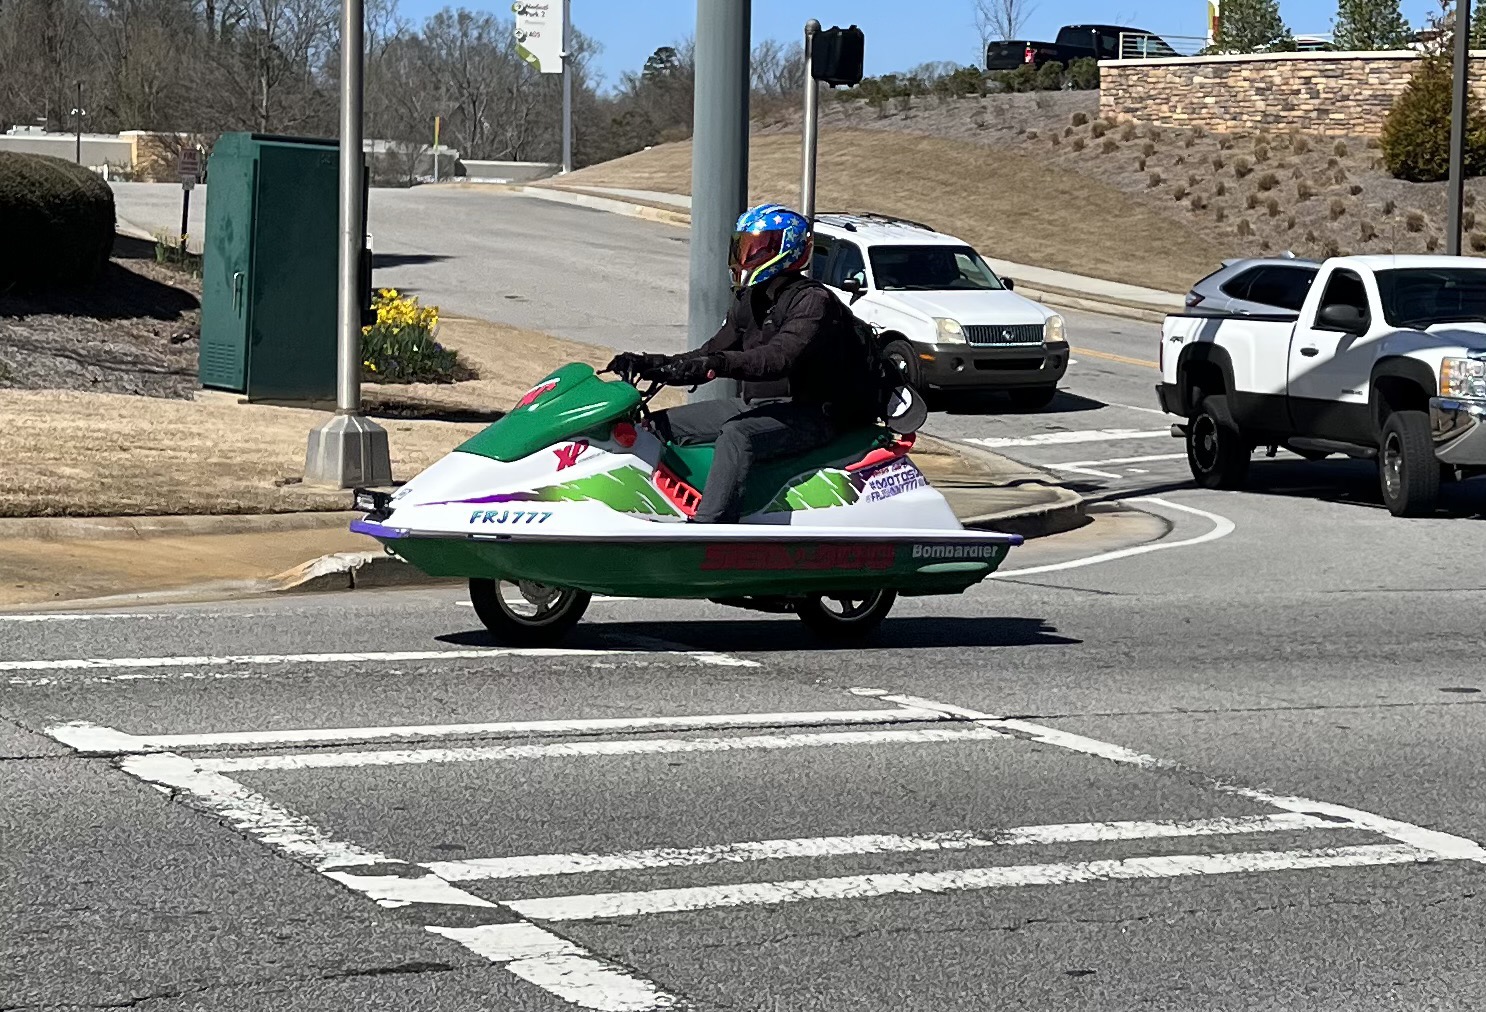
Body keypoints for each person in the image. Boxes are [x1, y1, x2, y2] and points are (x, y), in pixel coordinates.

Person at [607, 202, 883, 524]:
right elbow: (710, 350)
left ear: (786, 249)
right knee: (654, 426)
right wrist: (652, 364)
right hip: (759, 405)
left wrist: (715, 364)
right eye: (744, 246)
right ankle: (644, 510)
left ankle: (712, 525)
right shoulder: (750, 299)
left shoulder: (813, 302)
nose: (746, 255)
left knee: (738, 435)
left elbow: (777, 358)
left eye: (757, 246)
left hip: (812, 414)